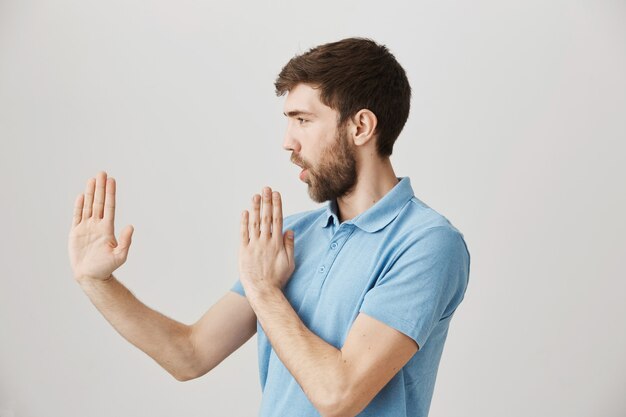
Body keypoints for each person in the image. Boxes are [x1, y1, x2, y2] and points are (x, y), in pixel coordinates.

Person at [68, 37, 470, 417]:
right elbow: (189, 354)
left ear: (361, 126)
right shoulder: (292, 237)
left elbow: (339, 395)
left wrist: (263, 288)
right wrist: (96, 282)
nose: (288, 142)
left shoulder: (427, 244)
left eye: (303, 119)